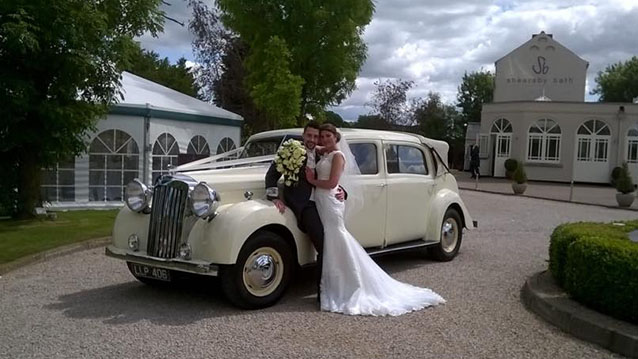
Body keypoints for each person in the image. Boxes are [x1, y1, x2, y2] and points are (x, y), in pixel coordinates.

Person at [304, 123, 445, 316]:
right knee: (330, 239)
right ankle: (332, 284)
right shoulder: (325, 152)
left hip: (329, 198)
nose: (323, 140)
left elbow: (332, 183)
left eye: (328, 136)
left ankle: (348, 285)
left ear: (336, 137)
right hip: (322, 200)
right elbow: (312, 148)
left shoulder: (337, 156)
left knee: (336, 236)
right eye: (321, 137)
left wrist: (312, 181)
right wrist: (306, 144)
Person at [264, 121, 344, 302]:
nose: (313, 139)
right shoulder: (291, 150)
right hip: (304, 205)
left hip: (324, 202)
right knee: (324, 245)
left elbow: (332, 177)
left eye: (316, 137)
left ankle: (332, 288)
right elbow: (272, 175)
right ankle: (323, 293)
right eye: (310, 135)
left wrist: (342, 191)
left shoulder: (320, 153)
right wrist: (274, 197)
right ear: (303, 134)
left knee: (333, 241)